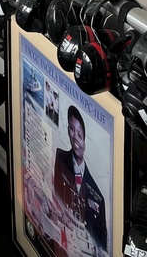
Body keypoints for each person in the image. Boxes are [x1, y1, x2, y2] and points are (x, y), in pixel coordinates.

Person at [52, 106, 107, 252]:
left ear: (85, 138)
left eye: (79, 133)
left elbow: (102, 246)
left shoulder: (98, 197)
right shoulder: (60, 158)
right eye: (71, 129)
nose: (75, 136)